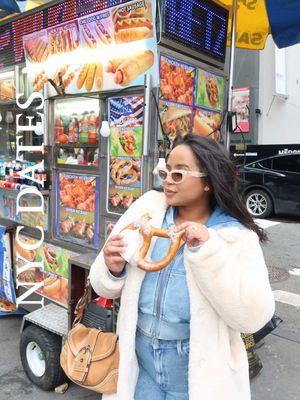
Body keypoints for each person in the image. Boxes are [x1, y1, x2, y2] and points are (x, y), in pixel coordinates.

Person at [90, 134, 275, 400]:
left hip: (198, 373)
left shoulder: (235, 236)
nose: (167, 180)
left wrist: (207, 251)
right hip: (140, 365)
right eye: (165, 172)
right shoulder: (145, 212)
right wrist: (112, 268)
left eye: (178, 175)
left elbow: (254, 317)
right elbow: (102, 286)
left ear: (208, 182)